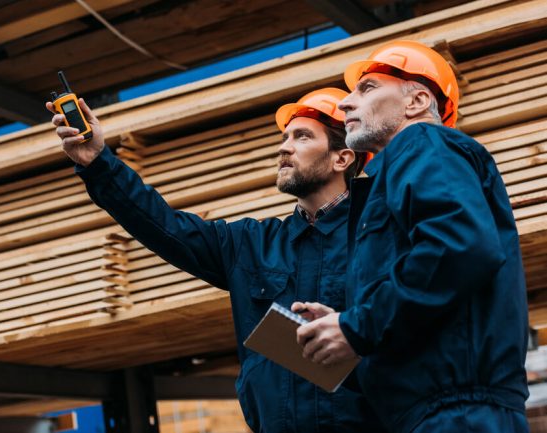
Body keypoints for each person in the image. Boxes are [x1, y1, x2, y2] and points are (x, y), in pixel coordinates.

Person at [46, 88, 384, 433]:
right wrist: (98, 163)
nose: (284, 147)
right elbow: (163, 225)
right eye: (284, 137)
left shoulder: (381, 231)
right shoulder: (250, 244)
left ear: (341, 159)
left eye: (301, 136)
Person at [294, 40, 529, 433]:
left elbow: (459, 247)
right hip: (432, 415)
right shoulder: (394, 178)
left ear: (417, 101)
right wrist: (346, 322)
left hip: (457, 415)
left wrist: (358, 327)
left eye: (366, 89)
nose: (346, 104)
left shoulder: (422, 143)